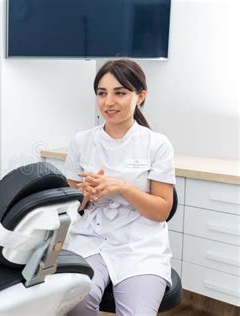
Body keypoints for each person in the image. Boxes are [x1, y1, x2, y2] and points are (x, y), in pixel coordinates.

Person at [64, 60, 175, 316]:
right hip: (91, 239)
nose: (108, 102)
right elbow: (71, 202)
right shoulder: (82, 141)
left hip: (139, 245)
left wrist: (122, 188)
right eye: (102, 93)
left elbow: (162, 210)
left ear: (140, 96)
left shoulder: (157, 145)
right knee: (74, 303)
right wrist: (85, 197)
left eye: (120, 93)